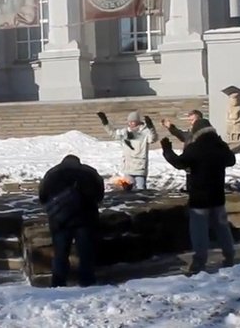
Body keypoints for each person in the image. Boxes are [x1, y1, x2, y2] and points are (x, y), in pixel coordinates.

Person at [160, 119, 237, 275]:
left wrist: (167, 150)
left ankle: (199, 262)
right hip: (217, 196)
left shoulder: (195, 148)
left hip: (200, 197)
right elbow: (231, 160)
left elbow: (180, 163)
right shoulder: (220, 146)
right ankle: (229, 256)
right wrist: (221, 143)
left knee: (199, 230)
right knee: (222, 227)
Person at [38, 155, 105, 287]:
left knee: (60, 253)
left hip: (60, 219)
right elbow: (99, 194)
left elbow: (43, 196)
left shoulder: (52, 173)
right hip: (85, 218)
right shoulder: (89, 172)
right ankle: (87, 281)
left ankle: (58, 282)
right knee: (86, 252)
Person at [96, 110, 158, 191]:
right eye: (130, 121)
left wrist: (151, 127)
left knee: (141, 190)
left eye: (133, 121)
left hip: (140, 168)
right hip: (128, 167)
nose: (131, 123)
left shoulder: (144, 133)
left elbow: (153, 139)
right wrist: (105, 122)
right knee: (127, 190)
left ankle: (142, 203)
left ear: (138, 122)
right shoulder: (125, 132)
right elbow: (113, 134)